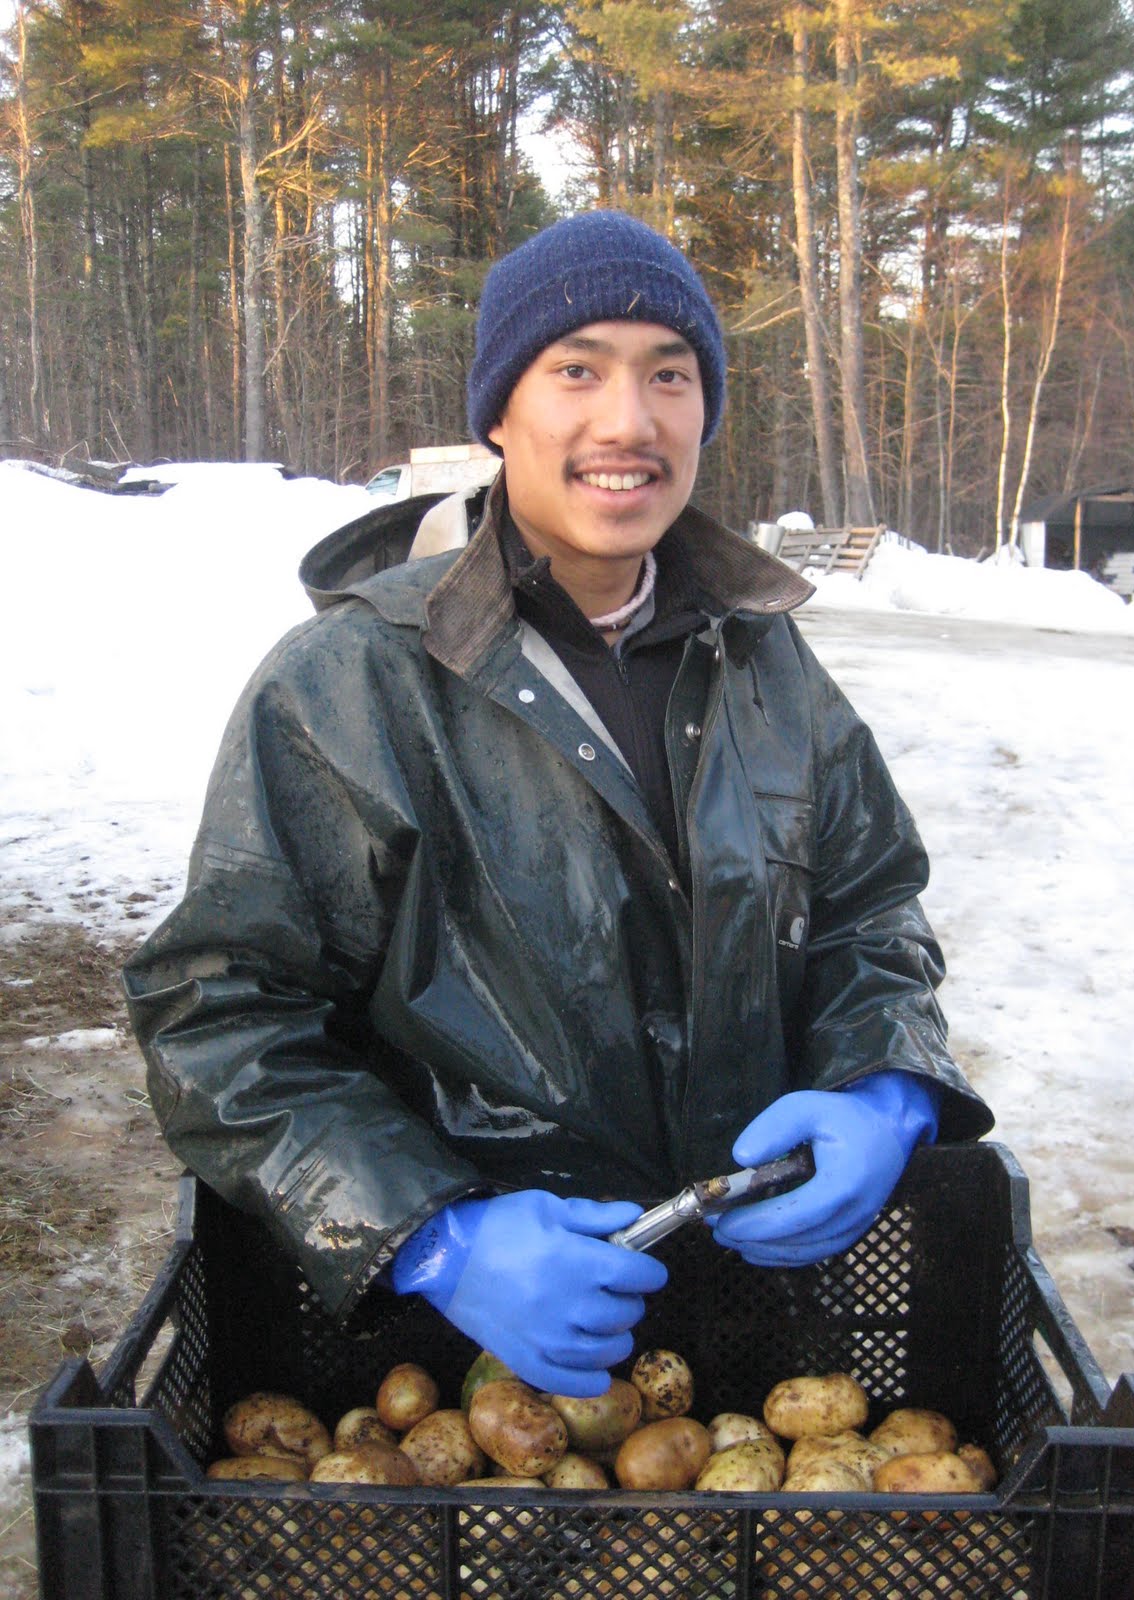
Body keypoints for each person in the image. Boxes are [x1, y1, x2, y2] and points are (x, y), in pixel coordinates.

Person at [124, 210, 992, 1402]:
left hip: (752, 1333)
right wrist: (432, 1236)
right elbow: (220, 1015)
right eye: (575, 368)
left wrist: (886, 1087)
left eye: (669, 376)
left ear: (704, 410)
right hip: (441, 1357)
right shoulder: (351, 681)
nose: (627, 422)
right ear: (498, 411)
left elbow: (868, 917)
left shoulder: (769, 668)